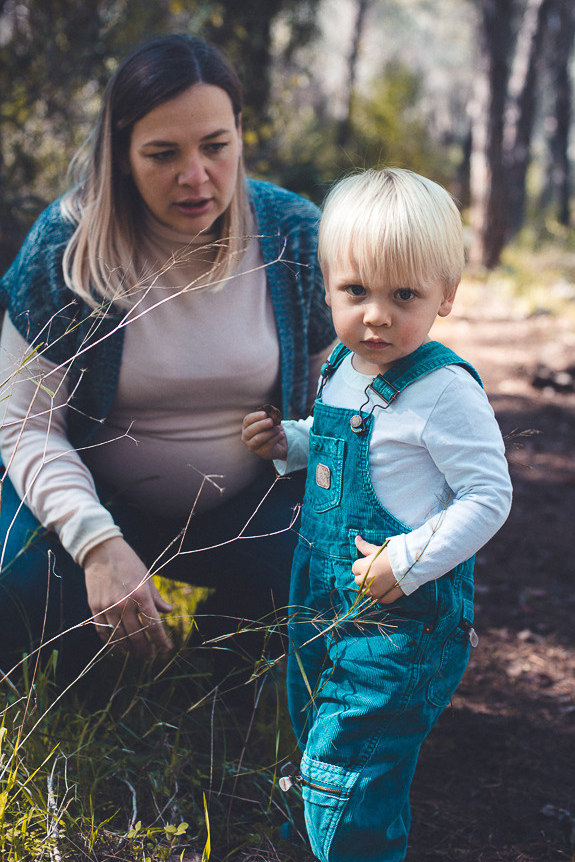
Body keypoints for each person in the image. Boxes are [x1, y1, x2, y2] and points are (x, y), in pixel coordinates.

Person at [0, 34, 335, 681]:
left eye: (216, 146)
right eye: (162, 154)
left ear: (240, 132)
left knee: (329, 567)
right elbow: (24, 424)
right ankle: (94, 665)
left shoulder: (293, 232)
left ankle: (226, 655)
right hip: (98, 498)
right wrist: (97, 544)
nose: (195, 176)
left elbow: (337, 398)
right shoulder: (67, 245)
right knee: (26, 588)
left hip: (245, 513)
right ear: (121, 154)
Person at [241, 167, 512, 862]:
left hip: (401, 625)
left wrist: (409, 557)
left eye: (404, 295)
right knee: (314, 728)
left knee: (351, 763)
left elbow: (489, 495)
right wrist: (288, 443)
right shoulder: (342, 364)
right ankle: (315, 839)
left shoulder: (443, 389)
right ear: (329, 284)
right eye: (355, 291)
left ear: (446, 295)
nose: (376, 316)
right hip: (318, 602)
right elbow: (335, 442)